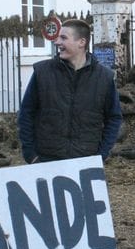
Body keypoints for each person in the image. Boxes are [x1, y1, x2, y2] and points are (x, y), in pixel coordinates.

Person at [18, 19, 123, 163]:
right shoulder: (42, 72)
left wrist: (102, 154)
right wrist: (30, 154)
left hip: (86, 161)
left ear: (81, 42)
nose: (57, 42)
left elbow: (114, 118)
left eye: (64, 38)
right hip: (46, 160)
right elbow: (26, 113)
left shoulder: (104, 77)